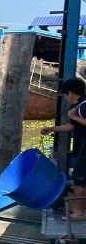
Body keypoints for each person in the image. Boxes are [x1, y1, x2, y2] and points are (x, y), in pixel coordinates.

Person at [41, 78, 86, 220]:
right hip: (82, 148)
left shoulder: (83, 107)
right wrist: (52, 129)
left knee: (79, 180)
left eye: (66, 95)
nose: (66, 98)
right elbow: (72, 126)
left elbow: (77, 121)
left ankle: (79, 212)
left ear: (71, 93)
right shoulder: (80, 106)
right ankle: (80, 208)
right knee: (81, 179)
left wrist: (73, 116)